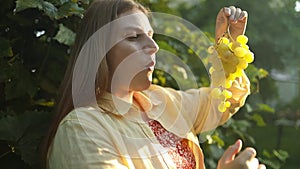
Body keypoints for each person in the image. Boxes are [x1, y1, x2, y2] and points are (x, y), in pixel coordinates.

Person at [42, 0, 266, 169]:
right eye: (133, 37)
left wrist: (228, 49)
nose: (153, 46)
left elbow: (222, 100)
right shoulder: (81, 129)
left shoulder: (164, 101)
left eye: (150, 35)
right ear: (101, 51)